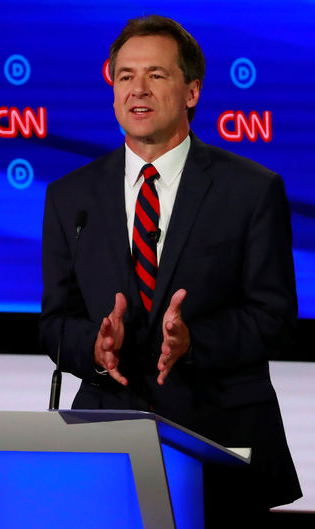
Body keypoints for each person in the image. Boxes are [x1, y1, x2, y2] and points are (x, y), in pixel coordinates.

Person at [39, 15, 300, 526]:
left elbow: (275, 318)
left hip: (221, 443)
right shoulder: (70, 197)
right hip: (107, 442)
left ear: (192, 91)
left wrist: (192, 342)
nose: (138, 89)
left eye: (156, 75)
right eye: (124, 76)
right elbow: (54, 323)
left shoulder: (250, 190)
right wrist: (94, 347)